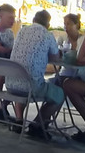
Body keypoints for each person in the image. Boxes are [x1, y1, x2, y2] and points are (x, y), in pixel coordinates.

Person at [5, 9, 65, 141]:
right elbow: (55, 57)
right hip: (31, 87)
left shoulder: (22, 31)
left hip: (10, 83)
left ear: (33, 20)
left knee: (23, 77)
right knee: (60, 94)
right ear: (48, 24)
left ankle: (19, 120)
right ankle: (37, 124)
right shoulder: (47, 35)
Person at [55, 13, 85, 144]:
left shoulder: (84, 40)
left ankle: (41, 121)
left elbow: (84, 61)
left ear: (77, 25)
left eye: (69, 24)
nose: (66, 27)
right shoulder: (63, 40)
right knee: (57, 85)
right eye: (65, 24)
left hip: (80, 75)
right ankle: (43, 121)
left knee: (60, 87)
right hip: (65, 73)